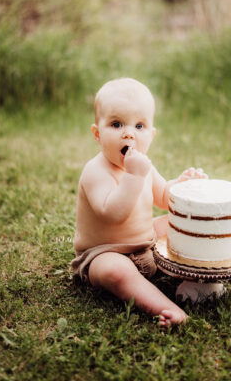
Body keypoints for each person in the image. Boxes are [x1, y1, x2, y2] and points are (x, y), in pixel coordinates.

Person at [71, 78, 207, 327]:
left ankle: (225, 263)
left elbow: (164, 197)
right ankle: (168, 308)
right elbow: (113, 213)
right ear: (97, 134)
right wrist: (134, 176)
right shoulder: (96, 171)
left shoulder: (143, 165)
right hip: (104, 253)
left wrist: (183, 185)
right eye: (116, 124)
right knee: (116, 271)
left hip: (146, 244)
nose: (129, 133)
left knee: (182, 223)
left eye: (139, 125)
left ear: (151, 135)